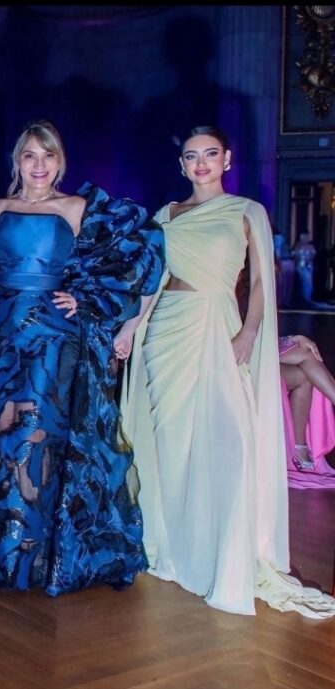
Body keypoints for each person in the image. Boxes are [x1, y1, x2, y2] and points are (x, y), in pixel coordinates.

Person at [0, 120, 164, 594]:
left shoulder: (76, 207)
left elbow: (143, 245)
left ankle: (42, 553)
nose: (39, 164)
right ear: (18, 162)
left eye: (48, 155)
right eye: (30, 155)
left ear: (59, 161)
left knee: (42, 437)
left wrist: (85, 298)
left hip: (53, 339)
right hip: (0, 334)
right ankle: (5, 548)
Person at [119, 125, 335, 617]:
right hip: (165, 332)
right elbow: (153, 282)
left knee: (231, 441)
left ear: (227, 159)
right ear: (181, 165)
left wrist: (249, 333)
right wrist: (131, 328)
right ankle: (173, 547)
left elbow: (260, 283)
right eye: (191, 156)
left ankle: (228, 556)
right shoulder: (165, 215)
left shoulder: (247, 211)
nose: (201, 163)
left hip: (218, 325)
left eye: (210, 154)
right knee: (172, 446)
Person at [279, 334, 335, 487]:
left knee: (305, 368)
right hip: (232, 357)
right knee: (307, 356)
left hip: (255, 348)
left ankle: (298, 446)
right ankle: (298, 445)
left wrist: (294, 338)